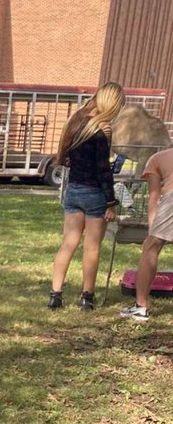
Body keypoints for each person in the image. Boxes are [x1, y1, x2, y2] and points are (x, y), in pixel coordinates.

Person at [48, 82, 125, 310]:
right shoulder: (101, 130)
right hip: (95, 194)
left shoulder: (76, 122)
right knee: (92, 247)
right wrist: (111, 203)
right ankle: (87, 297)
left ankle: (56, 294)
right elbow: (103, 169)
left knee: (68, 243)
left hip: (73, 190)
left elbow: (68, 158)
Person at [120, 143, 173, 320]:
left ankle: (140, 306)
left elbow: (154, 196)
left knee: (150, 248)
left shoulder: (156, 159)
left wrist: (152, 228)